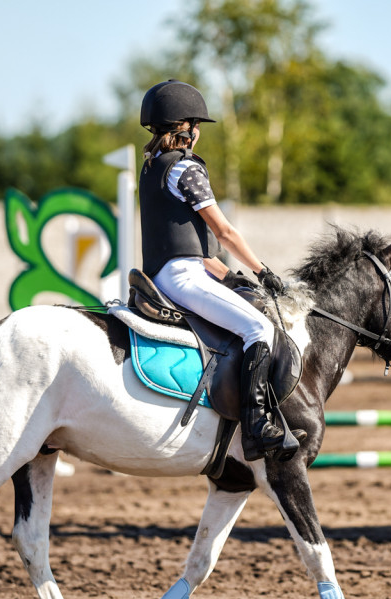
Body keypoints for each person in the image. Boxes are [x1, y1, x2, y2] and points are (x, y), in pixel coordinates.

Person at [138, 79, 295, 461]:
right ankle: (257, 425)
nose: (198, 135)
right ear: (187, 129)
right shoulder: (186, 169)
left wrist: (228, 276)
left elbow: (190, 244)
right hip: (183, 277)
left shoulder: (151, 169)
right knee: (259, 328)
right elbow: (223, 232)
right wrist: (263, 271)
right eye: (197, 127)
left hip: (170, 273)